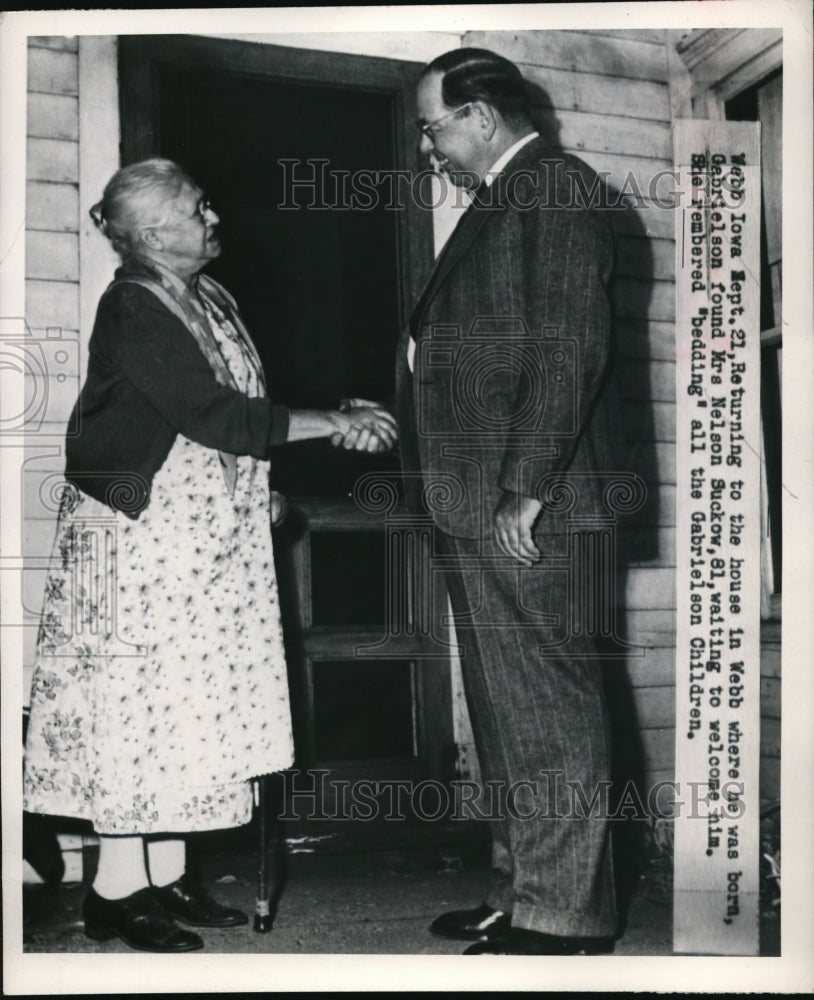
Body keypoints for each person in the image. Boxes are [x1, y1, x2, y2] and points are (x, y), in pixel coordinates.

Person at [22, 158, 396, 953]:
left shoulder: (211, 297)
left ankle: (164, 875)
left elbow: (241, 411)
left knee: (187, 707)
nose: (214, 216)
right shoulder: (134, 303)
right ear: (155, 235)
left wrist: (270, 478)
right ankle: (115, 891)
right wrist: (334, 423)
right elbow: (211, 414)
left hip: (199, 542)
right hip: (139, 539)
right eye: (198, 209)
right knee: (136, 707)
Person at [395, 48, 619, 955]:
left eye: (432, 128)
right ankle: (523, 892)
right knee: (505, 708)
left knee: (548, 707)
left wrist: (527, 487)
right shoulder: (506, 198)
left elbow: (568, 345)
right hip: (481, 494)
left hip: (530, 500)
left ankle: (564, 917)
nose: (428, 147)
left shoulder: (554, 187)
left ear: (480, 117)